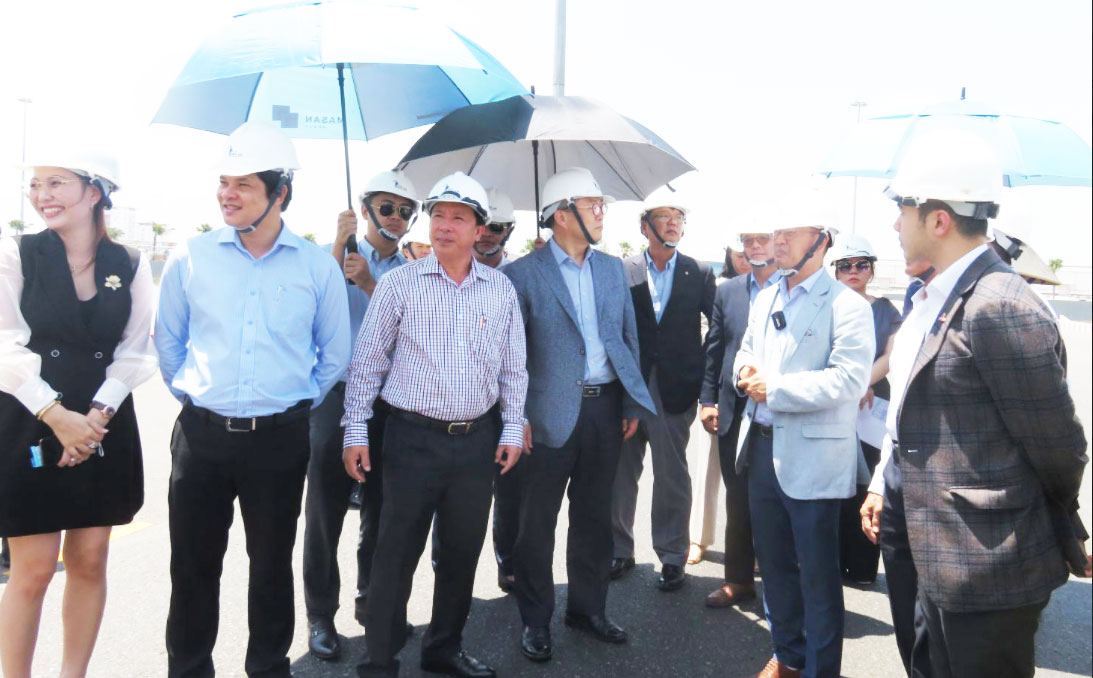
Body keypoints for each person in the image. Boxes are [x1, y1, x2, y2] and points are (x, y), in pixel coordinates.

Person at [859, 131, 1087, 678]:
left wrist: (1048, 518)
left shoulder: (1000, 306)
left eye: (903, 210)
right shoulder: (935, 296)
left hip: (985, 562)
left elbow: (1059, 447)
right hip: (932, 546)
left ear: (939, 220)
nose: (895, 224)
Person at [155, 121, 350, 678]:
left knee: (270, 567)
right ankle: (189, 669)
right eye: (223, 181)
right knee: (192, 567)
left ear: (280, 193)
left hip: (280, 441)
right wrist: (201, 399)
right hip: (200, 437)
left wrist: (289, 406)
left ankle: (268, 668)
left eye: (243, 184)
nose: (227, 194)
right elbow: (169, 343)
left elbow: (334, 354)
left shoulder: (316, 267)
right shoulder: (190, 257)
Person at [342, 171, 528, 678]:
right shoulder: (400, 284)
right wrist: (356, 430)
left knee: (461, 556)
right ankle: (379, 660)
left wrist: (513, 428)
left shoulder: (500, 291)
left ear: (478, 228)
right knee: (394, 555)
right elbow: (368, 363)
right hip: (409, 441)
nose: (445, 226)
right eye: (439, 215)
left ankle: (443, 649)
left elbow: (514, 367)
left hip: (476, 443)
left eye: (459, 217)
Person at [0, 153, 157, 678]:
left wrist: (93, 416)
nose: (42, 194)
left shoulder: (130, 262)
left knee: (89, 560)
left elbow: (136, 350)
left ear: (94, 192)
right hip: (29, 417)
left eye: (57, 182)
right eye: (36, 183)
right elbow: (5, 344)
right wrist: (56, 415)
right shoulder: (17, 252)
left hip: (102, 424)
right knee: (34, 570)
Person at [504, 167, 656, 663]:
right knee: (536, 524)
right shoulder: (522, 275)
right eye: (592, 205)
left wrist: (632, 401)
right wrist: (516, 415)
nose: (601, 212)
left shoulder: (614, 269)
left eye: (602, 205)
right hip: (544, 417)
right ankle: (535, 620)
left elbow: (628, 339)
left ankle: (587, 610)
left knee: (593, 519)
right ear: (561, 214)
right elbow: (509, 357)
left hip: (606, 410)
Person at [734, 215, 874, 678]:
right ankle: (789, 656)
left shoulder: (847, 306)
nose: (778, 243)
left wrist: (773, 388)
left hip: (813, 458)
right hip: (760, 450)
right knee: (774, 568)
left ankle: (820, 669)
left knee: (817, 577)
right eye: (775, 234)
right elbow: (747, 349)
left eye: (789, 235)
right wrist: (743, 373)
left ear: (821, 241)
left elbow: (849, 380)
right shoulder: (768, 293)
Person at [302, 170, 419, 660]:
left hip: (387, 403)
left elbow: (412, 335)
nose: (396, 217)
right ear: (366, 209)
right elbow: (308, 314)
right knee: (325, 513)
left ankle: (374, 603)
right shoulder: (336, 255)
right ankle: (319, 615)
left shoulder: (414, 270)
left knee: (383, 511)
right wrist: (336, 250)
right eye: (387, 207)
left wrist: (371, 284)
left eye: (405, 211)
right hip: (337, 395)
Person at [610, 188, 715, 592]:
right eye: (664, 216)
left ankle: (672, 555)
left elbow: (717, 328)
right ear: (644, 226)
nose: (673, 223)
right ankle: (619, 549)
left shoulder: (699, 272)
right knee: (621, 471)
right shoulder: (622, 271)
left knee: (672, 474)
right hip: (627, 387)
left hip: (675, 389)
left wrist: (699, 370)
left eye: (678, 217)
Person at [699, 227, 780, 608]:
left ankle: (785, 588)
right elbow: (714, 349)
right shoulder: (728, 291)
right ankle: (738, 580)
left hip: (783, 413)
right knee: (738, 499)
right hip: (733, 411)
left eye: (762, 239)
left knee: (783, 501)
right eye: (748, 241)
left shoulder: (796, 288)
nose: (755, 247)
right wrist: (708, 400)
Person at [828, 234, 901, 585]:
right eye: (845, 265)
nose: (853, 271)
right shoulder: (826, 306)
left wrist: (863, 382)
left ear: (871, 269)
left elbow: (891, 354)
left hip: (872, 405)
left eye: (861, 264)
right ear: (835, 271)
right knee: (834, 481)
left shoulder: (885, 309)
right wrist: (851, 386)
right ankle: (831, 560)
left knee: (867, 482)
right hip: (835, 401)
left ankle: (860, 567)